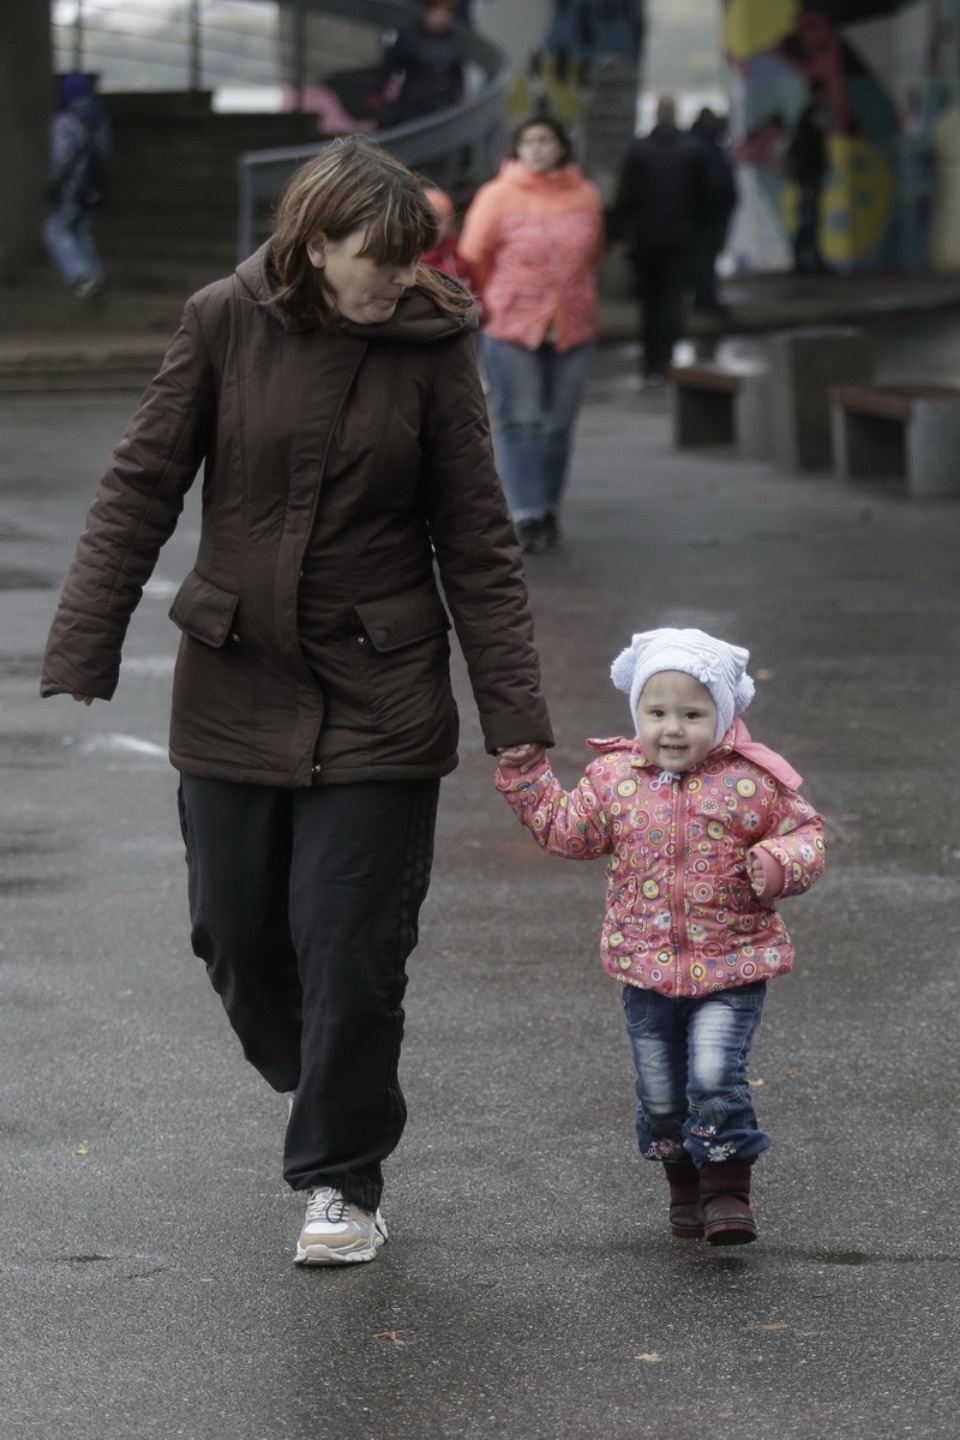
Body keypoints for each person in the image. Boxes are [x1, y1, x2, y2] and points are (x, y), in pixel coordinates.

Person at [40, 137, 553, 1267]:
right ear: (314, 244)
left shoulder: (433, 343)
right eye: (376, 261)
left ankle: (340, 1177)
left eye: (411, 259)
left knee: (352, 949)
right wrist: (87, 637)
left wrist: (515, 719)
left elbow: (476, 541)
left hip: (383, 693)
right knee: (234, 933)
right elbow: (141, 484)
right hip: (236, 679)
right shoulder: (223, 318)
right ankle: (332, 1069)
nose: (395, 282)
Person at [496, 628, 826, 1244]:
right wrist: (528, 777)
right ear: (636, 714)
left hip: (732, 963)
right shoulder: (614, 778)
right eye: (657, 712)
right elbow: (569, 833)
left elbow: (807, 834)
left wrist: (777, 862)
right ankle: (683, 1181)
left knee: (713, 1074)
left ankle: (727, 1189)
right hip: (646, 968)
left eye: (693, 714)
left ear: (723, 717)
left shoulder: (752, 782)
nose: (672, 728)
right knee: (660, 1091)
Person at [458, 116, 605, 554]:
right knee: (521, 420)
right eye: (528, 142)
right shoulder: (497, 195)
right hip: (511, 323)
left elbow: (593, 251)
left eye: (545, 141)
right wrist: (501, 297)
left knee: (558, 424)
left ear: (562, 146)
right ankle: (526, 513)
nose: (537, 149)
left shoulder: (586, 195)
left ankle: (548, 505)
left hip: (574, 323)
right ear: (516, 149)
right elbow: (473, 255)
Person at [609, 95, 710, 386]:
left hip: (646, 239)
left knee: (650, 303)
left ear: (655, 114)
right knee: (672, 299)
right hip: (680, 238)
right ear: (676, 113)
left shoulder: (638, 150)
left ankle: (651, 362)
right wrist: (698, 231)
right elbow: (705, 196)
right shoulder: (692, 150)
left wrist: (618, 233)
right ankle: (666, 359)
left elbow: (625, 196)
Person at [43, 72, 112, 299]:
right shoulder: (100, 117)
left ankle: (81, 277)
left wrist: (53, 184)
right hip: (93, 184)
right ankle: (96, 276)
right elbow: (105, 152)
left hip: (71, 185)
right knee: (80, 229)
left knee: (55, 229)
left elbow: (61, 157)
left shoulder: (65, 120)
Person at [377, 1, 465, 127]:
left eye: (446, 14)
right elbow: (389, 66)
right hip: (414, 106)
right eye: (437, 12)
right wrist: (378, 93)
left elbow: (457, 74)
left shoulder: (454, 42)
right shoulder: (411, 36)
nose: (441, 18)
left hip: (444, 108)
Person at [687, 107, 737, 317]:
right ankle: (705, 300)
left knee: (705, 258)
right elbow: (713, 182)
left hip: (707, 211)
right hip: (709, 212)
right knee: (706, 258)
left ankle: (704, 299)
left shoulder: (701, 143)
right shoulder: (705, 145)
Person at [785, 78, 832, 275]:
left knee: (810, 218)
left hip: (810, 174)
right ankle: (805, 261)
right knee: (809, 218)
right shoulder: (809, 118)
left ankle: (807, 260)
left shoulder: (808, 117)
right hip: (808, 175)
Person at [419, 186, 474, 290]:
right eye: (426, 219)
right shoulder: (405, 258)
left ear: (449, 224)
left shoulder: (458, 261)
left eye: (439, 220)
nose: (433, 226)